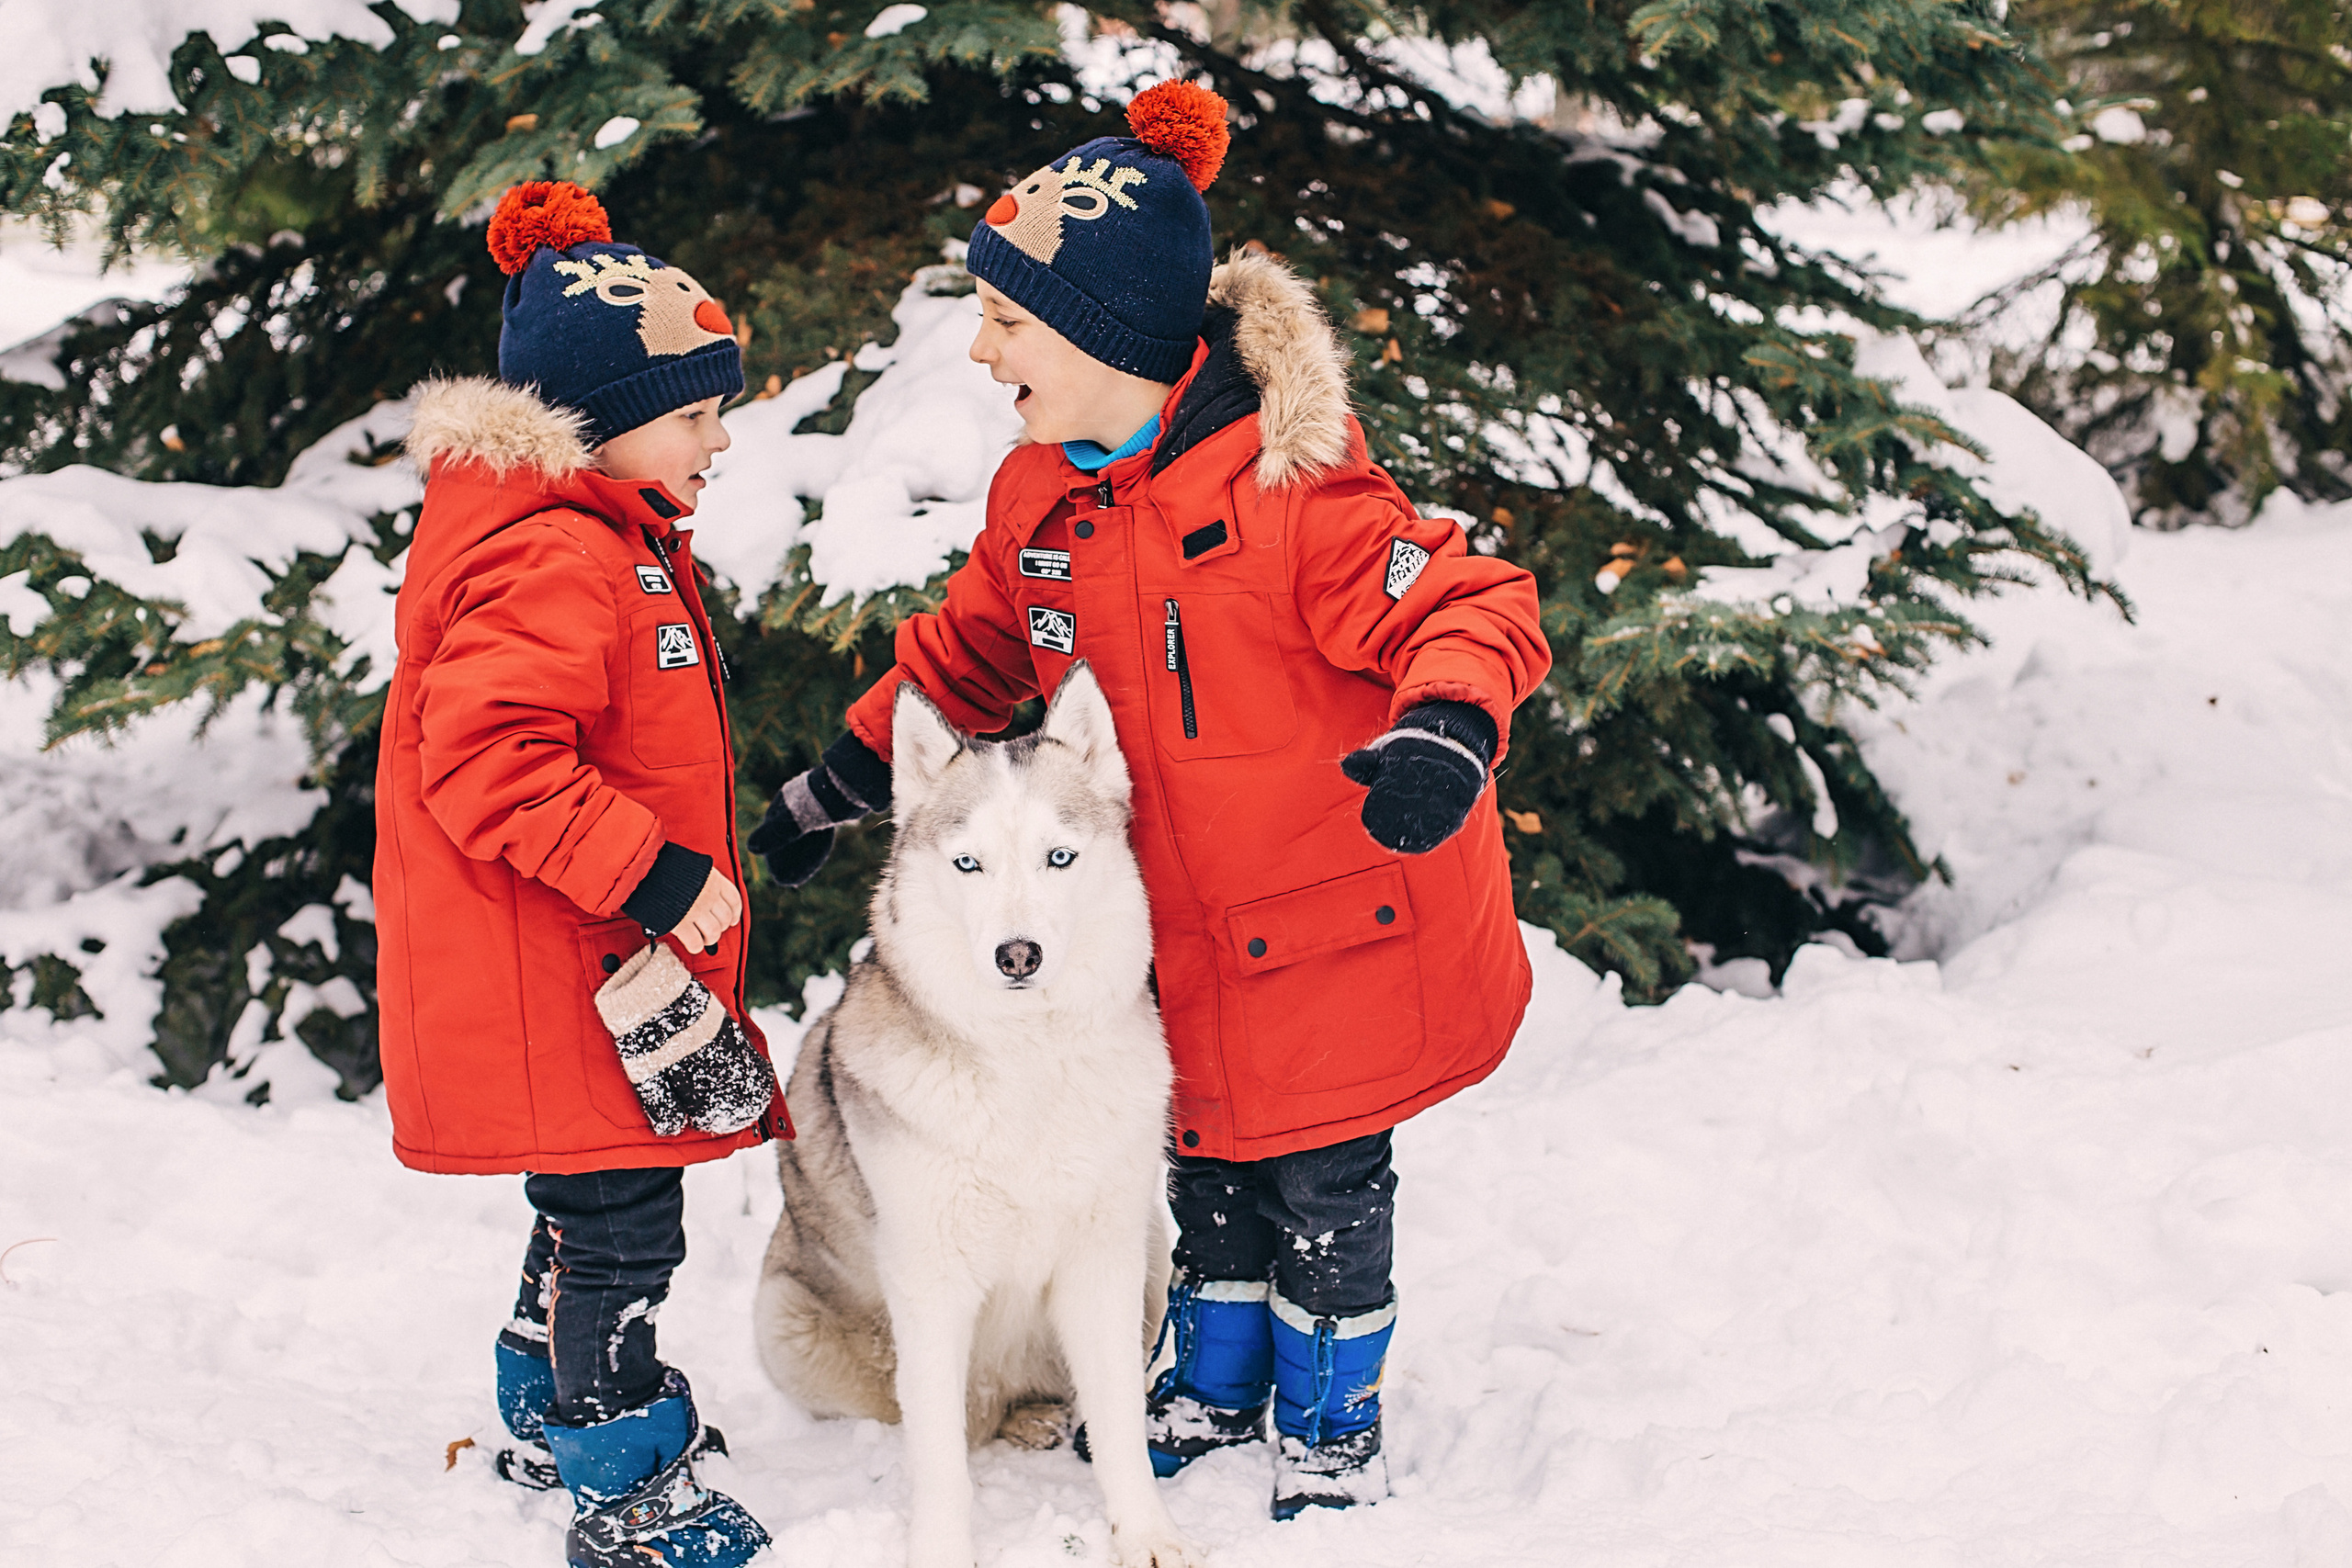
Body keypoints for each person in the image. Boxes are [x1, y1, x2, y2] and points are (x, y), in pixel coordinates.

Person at [747, 81, 1550, 1520]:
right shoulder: (1041, 500)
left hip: (1332, 924)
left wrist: (1443, 729)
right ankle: (1212, 1381)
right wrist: (846, 779)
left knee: (1323, 1188)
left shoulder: (1294, 495)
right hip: (1174, 931)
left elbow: (1469, 601)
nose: (984, 350)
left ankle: (1326, 1418)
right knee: (1208, 1170)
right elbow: (967, 652)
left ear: (1109, 334)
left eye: (1008, 322)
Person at [374, 180, 783, 1568]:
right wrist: (658, 876)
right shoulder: (556, 552)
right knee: (622, 1233)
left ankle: (544, 1410)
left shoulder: (598, 533)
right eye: (693, 415)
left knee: (584, 1209)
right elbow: (485, 759)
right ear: (603, 422)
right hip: (560, 968)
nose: (719, 440)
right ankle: (619, 1469)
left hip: (577, 969)